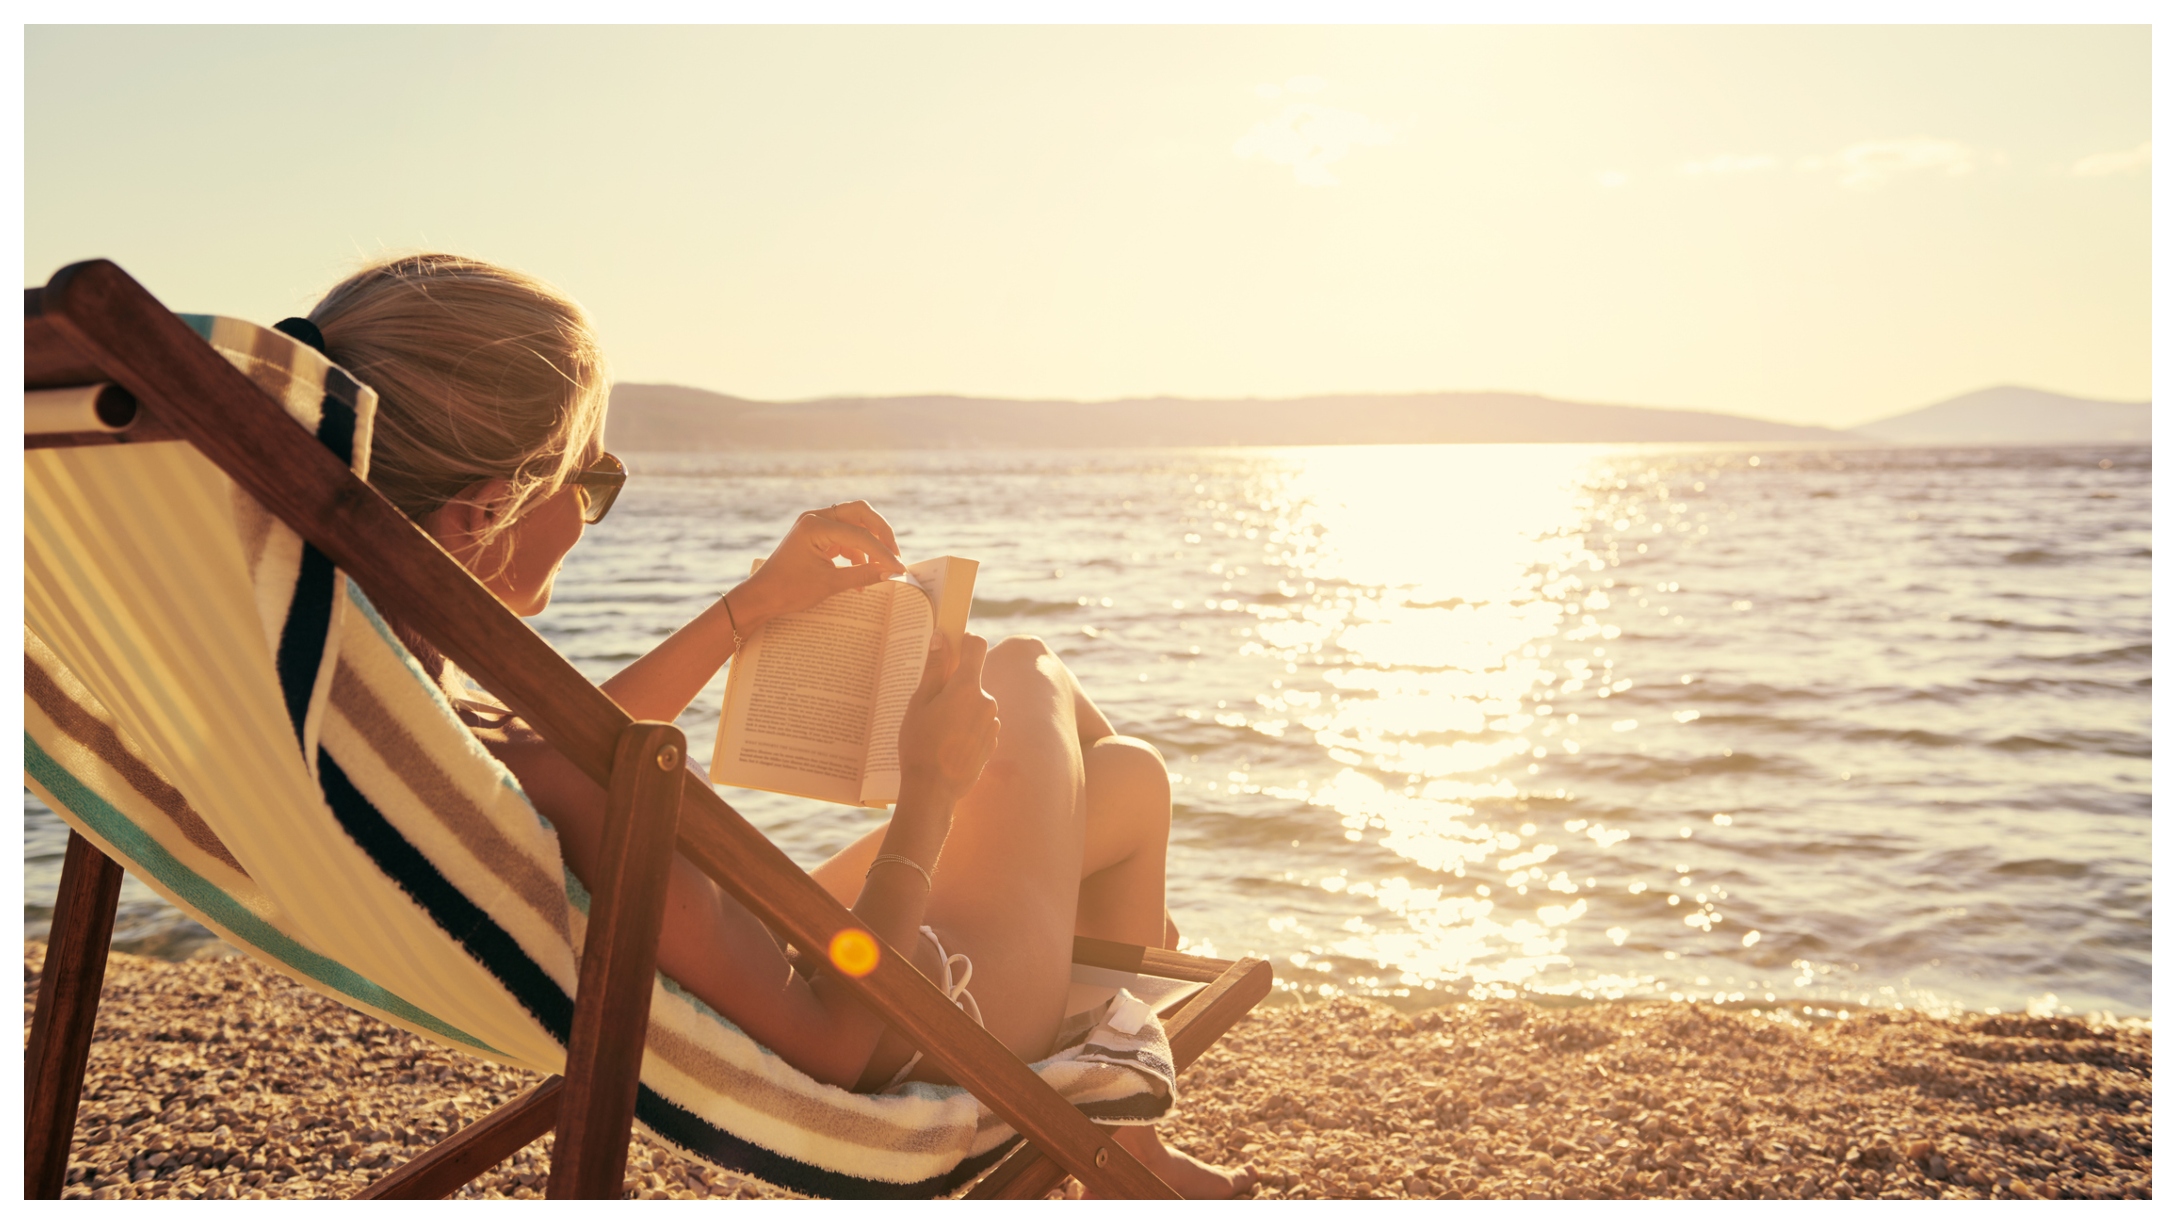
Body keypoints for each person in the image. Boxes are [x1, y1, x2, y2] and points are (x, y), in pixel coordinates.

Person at [299, 252, 1252, 1198]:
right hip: (914, 1022)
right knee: (1034, 678)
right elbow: (837, 1042)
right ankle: (1123, 1129)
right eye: (590, 485)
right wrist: (929, 790)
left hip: (824, 958)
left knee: (1119, 783)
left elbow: (562, 741)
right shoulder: (542, 772)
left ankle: (1132, 1156)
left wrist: (751, 607)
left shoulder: (380, 694)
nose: (595, 514)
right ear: (482, 515)